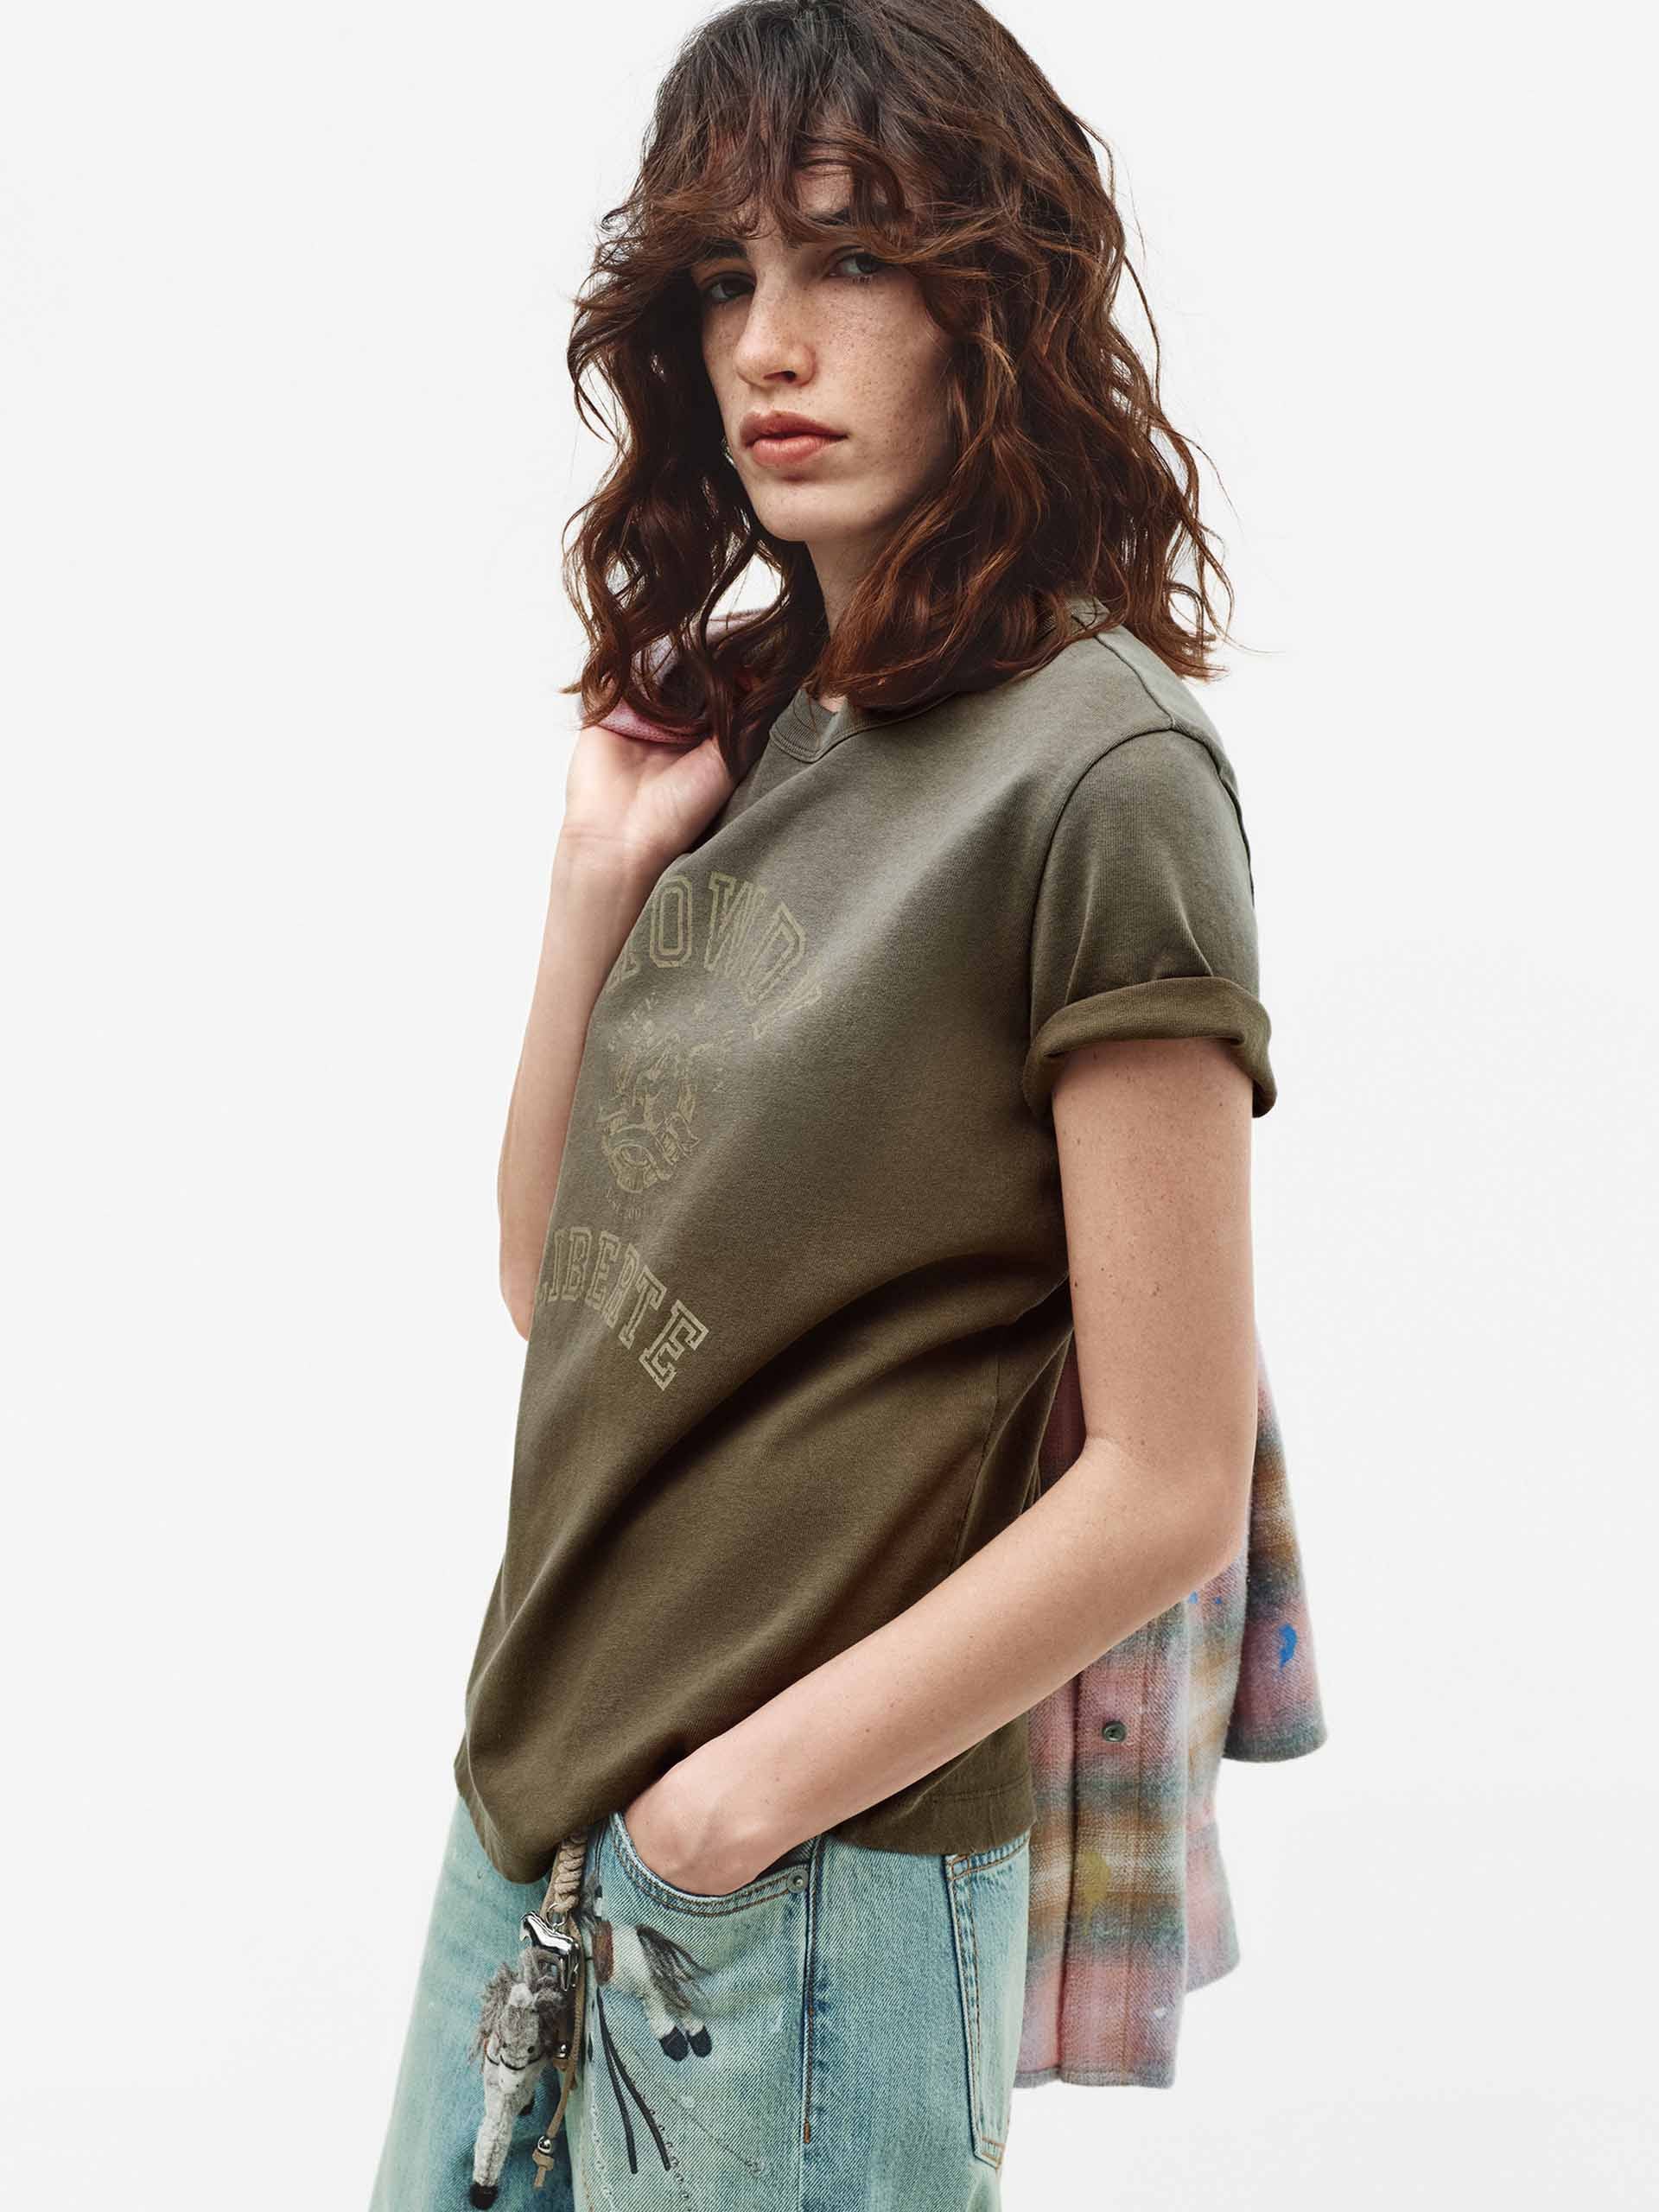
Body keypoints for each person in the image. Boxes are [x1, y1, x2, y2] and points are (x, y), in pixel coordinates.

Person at [370, 3, 1300, 2204]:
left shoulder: (1102, 772)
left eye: (854, 259)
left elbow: (1167, 1478)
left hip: (784, 1898)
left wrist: (735, 1806)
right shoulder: (772, 723)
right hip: (533, 1814)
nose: (769, 345)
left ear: (997, 298)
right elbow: (557, 1279)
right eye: (726, 279)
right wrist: (595, 877)